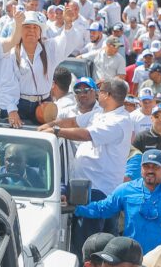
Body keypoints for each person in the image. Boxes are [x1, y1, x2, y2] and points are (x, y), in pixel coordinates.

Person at [47, 78, 134, 247]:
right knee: (85, 241)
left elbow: (86, 134)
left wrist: (57, 131)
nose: (98, 94)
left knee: (91, 245)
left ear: (107, 95)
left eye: (100, 91)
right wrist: (49, 125)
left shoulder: (120, 121)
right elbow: (73, 122)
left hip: (100, 191)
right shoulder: (99, 113)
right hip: (87, 189)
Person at [75, 149, 161, 255]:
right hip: (132, 259)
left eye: (155, 167)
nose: (150, 171)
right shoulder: (126, 190)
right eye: (146, 166)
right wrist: (75, 207)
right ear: (141, 168)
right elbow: (103, 208)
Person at [8, 10, 81, 123]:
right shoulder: (11, 53)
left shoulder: (49, 48)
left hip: (45, 106)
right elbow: (6, 84)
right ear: (20, 30)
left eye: (35, 27)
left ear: (40, 33)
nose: (31, 30)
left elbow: (67, 43)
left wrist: (68, 24)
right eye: (27, 27)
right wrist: (12, 110)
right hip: (19, 105)